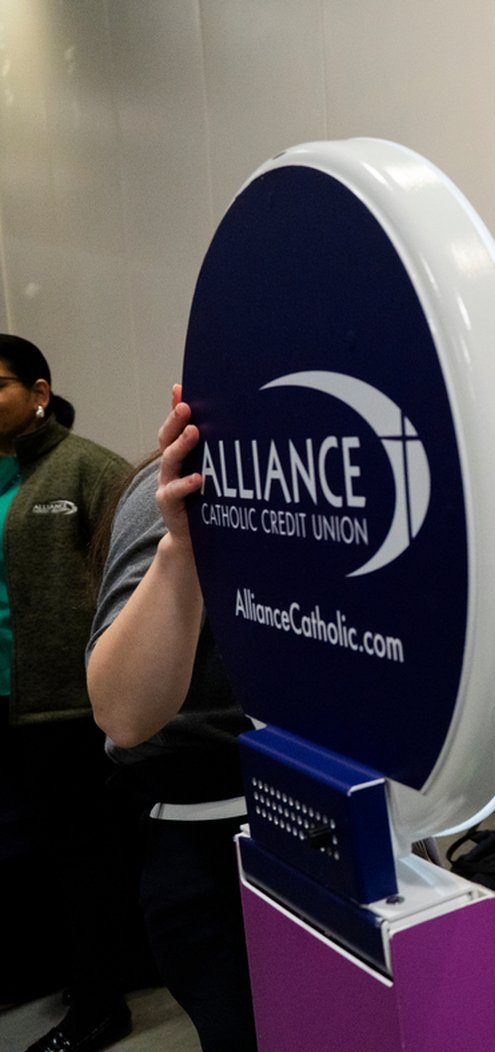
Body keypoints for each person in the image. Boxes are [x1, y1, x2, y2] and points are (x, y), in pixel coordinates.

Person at [86, 386, 258, 1051]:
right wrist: (180, 551)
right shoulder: (184, 485)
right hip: (211, 840)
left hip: (352, 812)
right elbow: (124, 714)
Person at [0, 333, 136, 1052]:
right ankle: (78, 974)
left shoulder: (89, 469)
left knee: (82, 858)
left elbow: (133, 584)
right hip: (9, 703)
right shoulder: (3, 475)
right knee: (36, 858)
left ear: (40, 391)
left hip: (68, 706)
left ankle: (100, 1005)